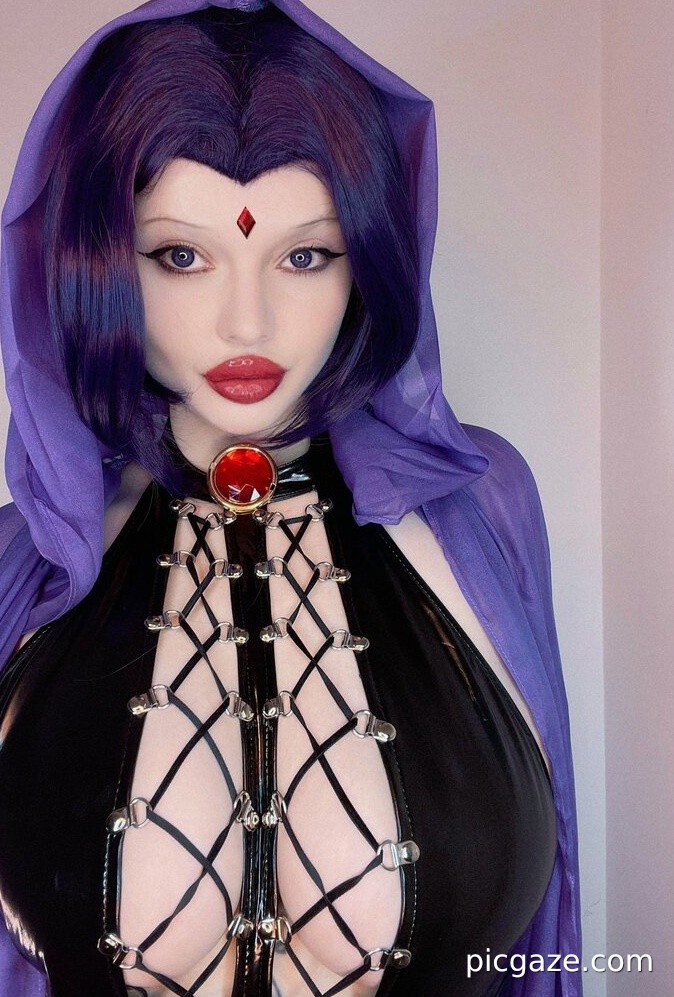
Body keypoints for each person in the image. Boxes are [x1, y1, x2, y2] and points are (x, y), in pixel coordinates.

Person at [0, 1, 581, 995]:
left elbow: (546, 934)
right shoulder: (29, 561)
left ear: (367, 259)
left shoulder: (476, 508)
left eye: (303, 254)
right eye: (180, 255)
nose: (248, 321)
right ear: (98, 262)